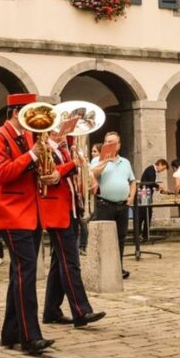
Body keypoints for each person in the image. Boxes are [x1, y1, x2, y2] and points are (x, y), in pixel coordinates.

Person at [0, 92, 55, 355]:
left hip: (33, 213)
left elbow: (34, 170)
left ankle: (10, 332)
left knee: (19, 274)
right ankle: (30, 336)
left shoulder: (29, 137)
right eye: (30, 114)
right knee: (25, 274)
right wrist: (32, 155)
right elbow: (2, 174)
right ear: (17, 113)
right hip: (12, 214)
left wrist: (49, 174)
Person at [42, 130, 106, 328]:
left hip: (71, 209)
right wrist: (73, 164)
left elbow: (72, 177)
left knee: (58, 262)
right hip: (56, 211)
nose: (63, 134)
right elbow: (50, 176)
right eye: (58, 130)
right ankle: (81, 311)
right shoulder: (45, 151)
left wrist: (87, 175)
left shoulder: (66, 150)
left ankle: (51, 310)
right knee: (71, 263)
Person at [90, 132, 137, 279]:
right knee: (104, 237)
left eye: (112, 142)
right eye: (107, 142)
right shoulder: (97, 160)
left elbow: (132, 180)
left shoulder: (125, 162)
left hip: (123, 205)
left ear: (118, 145)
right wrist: (104, 160)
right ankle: (104, 268)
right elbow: (93, 174)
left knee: (121, 237)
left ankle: (118, 267)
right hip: (105, 204)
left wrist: (131, 197)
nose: (109, 145)